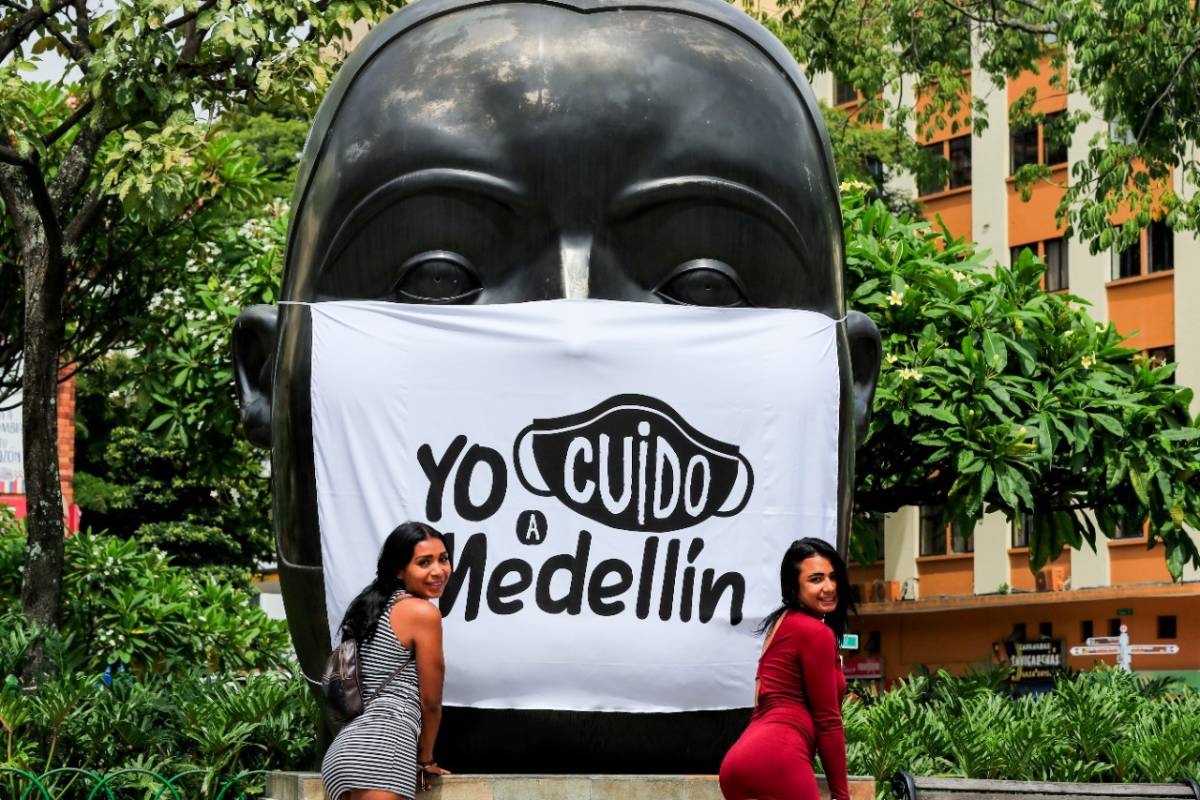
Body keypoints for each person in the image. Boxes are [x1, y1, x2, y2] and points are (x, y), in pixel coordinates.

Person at [322, 521, 453, 800]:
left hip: (342, 753)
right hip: (383, 748)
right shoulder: (422, 613)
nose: (438, 570)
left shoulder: (370, 607)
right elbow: (430, 703)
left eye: (443, 559)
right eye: (424, 562)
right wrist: (426, 759)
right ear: (399, 570)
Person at [719, 537, 856, 800]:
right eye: (816, 579)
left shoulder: (780, 624)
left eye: (833, 577)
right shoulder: (816, 633)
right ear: (794, 588)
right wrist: (841, 796)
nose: (829, 587)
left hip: (738, 762)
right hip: (777, 759)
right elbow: (828, 722)